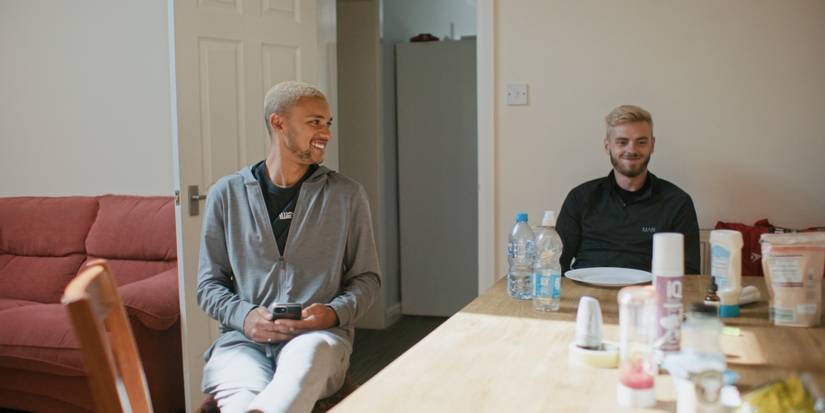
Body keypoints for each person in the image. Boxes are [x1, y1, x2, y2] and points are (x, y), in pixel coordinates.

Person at [197, 81, 381, 413]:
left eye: (328, 123)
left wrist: (331, 313)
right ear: (278, 122)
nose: (326, 133)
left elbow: (367, 279)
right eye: (315, 122)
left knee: (305, 362)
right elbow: (209, 285)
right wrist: (245, 316)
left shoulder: (346, 195)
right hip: (243, 343)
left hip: (317, 339)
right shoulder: (226, 194)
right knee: (240, 400)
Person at [556, 104, 700, 275]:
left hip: (650, 291)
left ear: (652, 145)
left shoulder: (677, 202)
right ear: (607, 146)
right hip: (585, 290)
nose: (631, 150)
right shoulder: (580, 198)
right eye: (622, 142)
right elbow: (555, 263)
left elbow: (689, 274)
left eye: (641, 142)